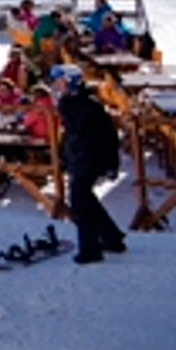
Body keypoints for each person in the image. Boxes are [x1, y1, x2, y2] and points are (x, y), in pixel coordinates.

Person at [56, 67, 128, 264]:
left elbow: (108, 137)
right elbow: (69, 136)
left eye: (61, 83)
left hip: (91, 159)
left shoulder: (88, 107)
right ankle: (111, 237)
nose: (57, 87)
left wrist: (111, 164)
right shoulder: (69, 105)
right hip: (78, 158)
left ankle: (90, 249)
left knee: (79, 202)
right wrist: (64, 157)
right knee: (85, 199)